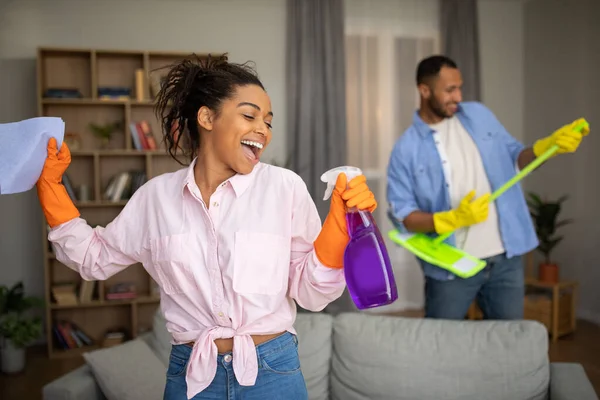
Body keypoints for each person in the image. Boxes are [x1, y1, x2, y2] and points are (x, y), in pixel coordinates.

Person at [36, 54, 378, 399]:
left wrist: (340, 222)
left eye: (269, 122)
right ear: (207, 117)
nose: (264, 130)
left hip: (273, 370)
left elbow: (311, 292)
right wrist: (51, 187)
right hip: (192, 374)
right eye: (249, 115)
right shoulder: (155, 198)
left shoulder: (283, 188)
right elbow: (92, 258)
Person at [386, 55, 588, 320]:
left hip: (505, 259)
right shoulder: (405, 149)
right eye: (449, 90)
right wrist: (451, 219)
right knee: (438, 346)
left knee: (507, 343)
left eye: (459, 87)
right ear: (424, 90)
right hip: (452, 267)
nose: (458, 96)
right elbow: (404, 215)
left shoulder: (479, 115)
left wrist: (545, 148)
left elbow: (516, 157)